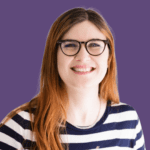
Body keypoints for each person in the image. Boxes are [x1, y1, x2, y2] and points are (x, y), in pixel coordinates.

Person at [0, 7, 146, 150]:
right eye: (70, 45)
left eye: (94, 44)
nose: (83, 57)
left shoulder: (128, 121)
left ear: (109, 57)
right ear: (54, 56)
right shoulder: (21, 125)